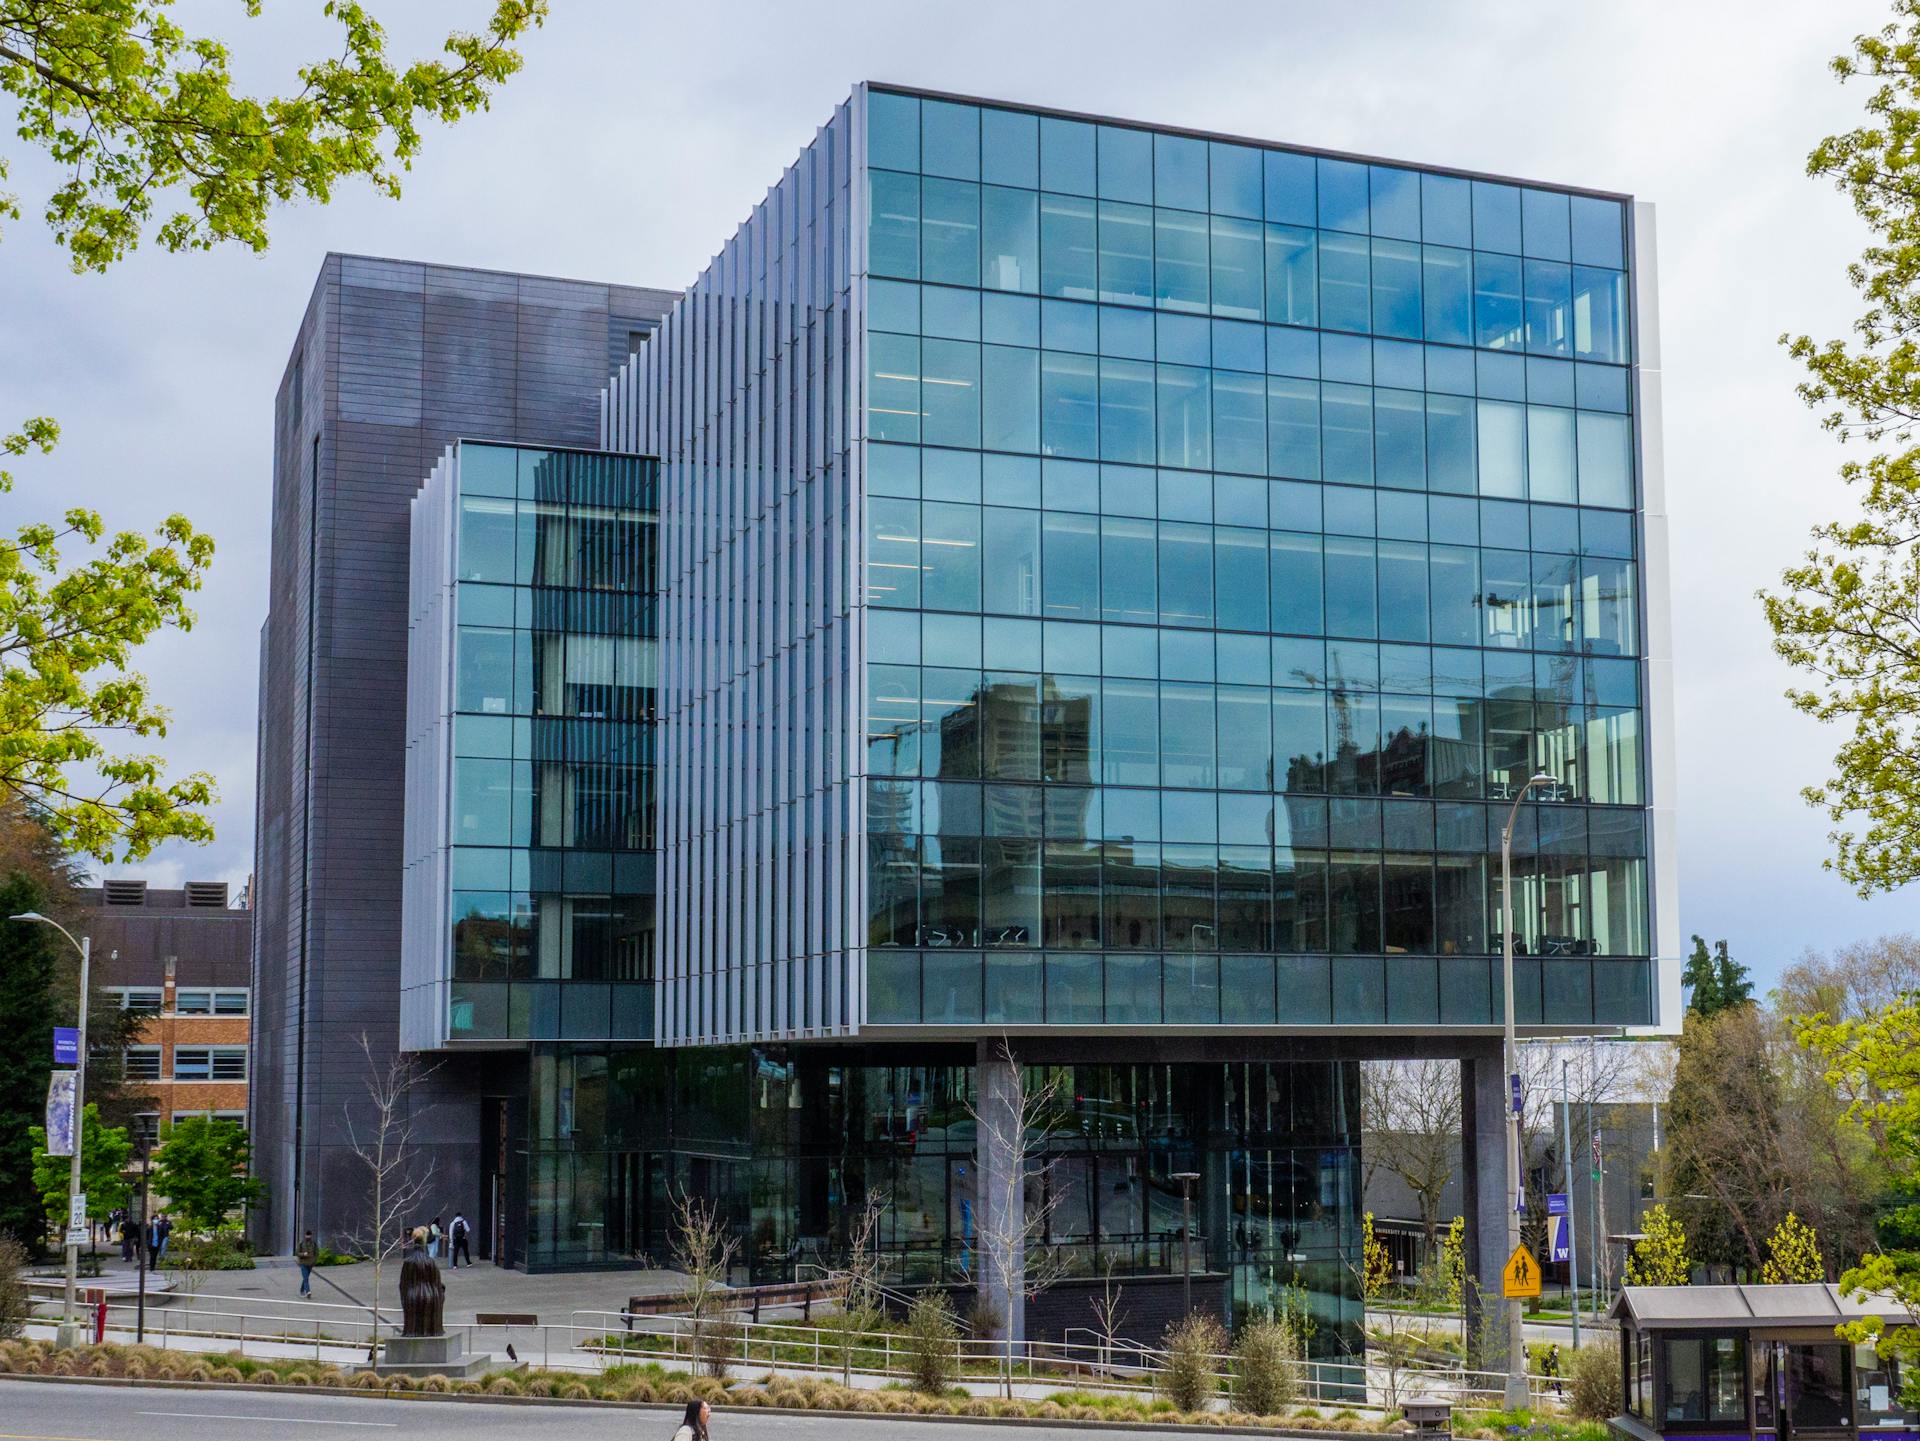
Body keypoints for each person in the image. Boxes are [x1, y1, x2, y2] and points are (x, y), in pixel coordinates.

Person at [296, 1230, 318, 1297]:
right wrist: (303, 1254)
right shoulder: (301, 1243)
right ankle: (308, 1291)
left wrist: (314, 1261)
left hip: (310, 1264)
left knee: (306, 1277)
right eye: (307, 1235)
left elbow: (316, 1253)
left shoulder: (313, 1243)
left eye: (309, 1235)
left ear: (311, 1235)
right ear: (305, 1235)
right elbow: (297, 1253)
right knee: (305, 1278)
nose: (308, 1236)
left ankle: (302, 1290)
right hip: (303, 1263)